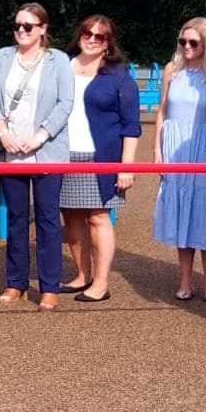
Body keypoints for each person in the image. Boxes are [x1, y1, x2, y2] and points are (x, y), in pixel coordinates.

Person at [0, 3, 73, 312]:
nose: (21, 30)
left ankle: (49, 286)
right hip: (11, 151)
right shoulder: (2, 57)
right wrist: (4, 133)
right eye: (18, 24)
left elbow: (65, 102)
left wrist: (40, 136)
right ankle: (16, 281)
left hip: (45, 151)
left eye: (29, 26)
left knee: (48, 220)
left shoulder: (58, 60)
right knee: (16, 219)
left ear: (43, 29)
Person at [58, 15, 140, 303]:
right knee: (71, 216)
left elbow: (131, 125)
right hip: (64, 155)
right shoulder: (61, 66)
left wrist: (125, 167)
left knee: (98, 217)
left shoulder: (118, 75)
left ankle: (101, 283)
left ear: (108, 43)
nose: (92, 39)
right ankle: (81, 275)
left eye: (100, 36)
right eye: (87, 33)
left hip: (101, 157)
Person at [152, 17, 206, 300]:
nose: (186, 46)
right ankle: (185, 280)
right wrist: (157, 150)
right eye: (182, 41)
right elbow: (162, 111)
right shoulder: (172, 70)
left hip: (204, 148)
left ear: (205, 43)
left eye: (193, 42)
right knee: (181, 212)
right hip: (175, 149)